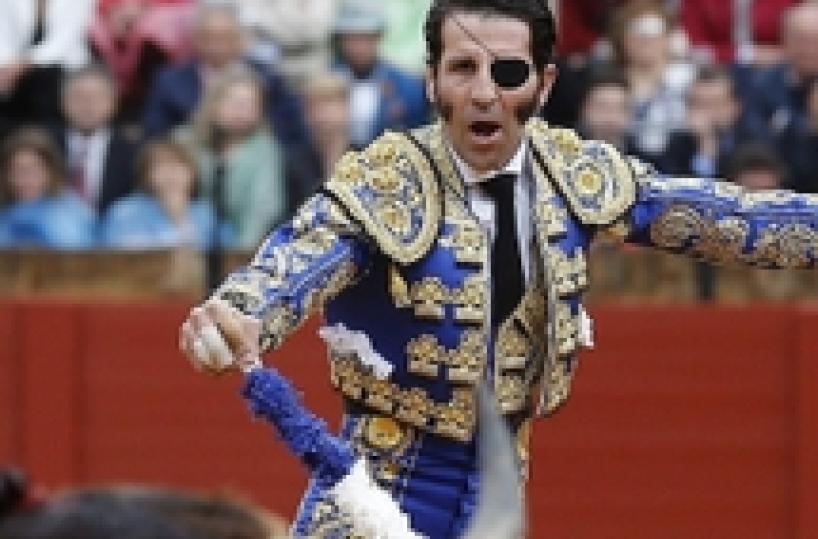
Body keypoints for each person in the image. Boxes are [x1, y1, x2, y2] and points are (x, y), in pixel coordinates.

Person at [178, 0, 818, 537]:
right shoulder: (387, 181)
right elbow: (302, 257)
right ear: (431, 82)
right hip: (375, 491)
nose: (484, 92)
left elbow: (738, 223)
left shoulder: (575, 175)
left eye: (507, 71)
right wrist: (243, 310)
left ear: (543, 83)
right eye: (463, 68)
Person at [141, 2, 309, 152]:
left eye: (225, 37)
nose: (218, 46)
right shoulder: (170, 82)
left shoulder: (268, 77)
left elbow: (292, 131)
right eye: (210, 37)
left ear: (241, 39)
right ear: (196, 39)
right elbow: (155, 137)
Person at [175, 69, 287, 250]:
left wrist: (238, 259)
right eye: (235, 103)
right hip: (185, 245)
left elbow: (262, 211)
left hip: (242, 253)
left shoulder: (267, 151)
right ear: (213, 104)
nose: (242, 111)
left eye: (250, 104)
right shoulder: (183, 142)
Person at [332, 0, 430, 149]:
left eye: (366, 38)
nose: (359, 47)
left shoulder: (406, 86)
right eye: (352, 39)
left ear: (378, 38)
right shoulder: (326, 82)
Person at [100, 139, 222, 250]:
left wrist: (181, 220)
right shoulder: (123, 211)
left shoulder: (205, 213)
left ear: (193, 174)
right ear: (146, 175)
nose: (171, 175)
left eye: (178, 167)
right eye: (161, 168)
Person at [52, 65, 140, 216]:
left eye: (97, 97)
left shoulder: (133, 153)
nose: (88, 105)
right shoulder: (45, 146)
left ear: (113, 103)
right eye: (79, 97)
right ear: (63, 102)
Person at [0, 0, 96, 137]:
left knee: (47, 82)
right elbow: (3, 34)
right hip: (14, 68)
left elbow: (65, 38)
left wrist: (26, 63)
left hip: (61, 68)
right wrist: (7, 66)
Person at [0, 128, 95, 250]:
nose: (25, 179)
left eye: (33, 170)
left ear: (50, 171)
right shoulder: (4, 210)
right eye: (16, 170)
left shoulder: (73, 212)